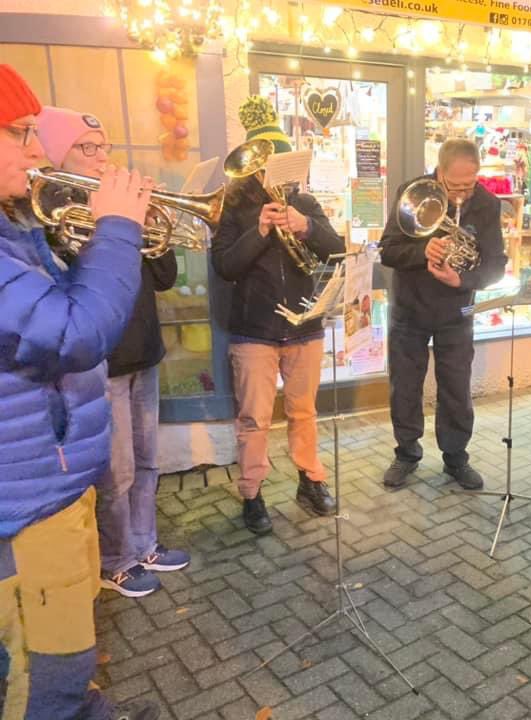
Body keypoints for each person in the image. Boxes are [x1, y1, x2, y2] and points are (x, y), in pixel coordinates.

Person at [0, 65, 158, 719]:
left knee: (67, 647)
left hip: (50, 481)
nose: (39, 151)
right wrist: (117, 228)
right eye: (22, 132)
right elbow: (75, 330)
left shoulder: (14, 227)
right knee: (45, 670)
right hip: (27, 504)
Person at [36, 106, 189, 599]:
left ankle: (144, 544)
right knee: (116, 471)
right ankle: (115, 560)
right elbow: (72, 288)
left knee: (147, 461)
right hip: (103, 362)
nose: (102, 157)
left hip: (144, 351)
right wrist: (112, 226)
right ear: (59, 155)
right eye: (87, 148)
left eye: (104, 148)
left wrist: (142, 222)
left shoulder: (114, 207)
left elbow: (163, 278)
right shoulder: (53, 217)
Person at [211, 96, 345, 536]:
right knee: (254, 419)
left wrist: (303, 225)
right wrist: (261, 229)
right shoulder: (232, 208)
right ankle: (252, 493)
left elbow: (333, 248)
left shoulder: (303, 203)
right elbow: (225, 266)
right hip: (255, 332)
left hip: (302, 326)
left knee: (304, 412)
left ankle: (310, 479)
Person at [379, 139, 507, 490]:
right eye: (455, 186)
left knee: (456, 387)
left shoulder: (487, 204)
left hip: (457, 310)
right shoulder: (414, 193)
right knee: (404, 385)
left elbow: (496, 265)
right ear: (439, 172)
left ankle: (455, 458)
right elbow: (388, 250)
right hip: (410, 308)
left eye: (470, 184)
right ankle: (406, 453)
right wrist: (424, 251)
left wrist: (462, 278)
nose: (463, 195)